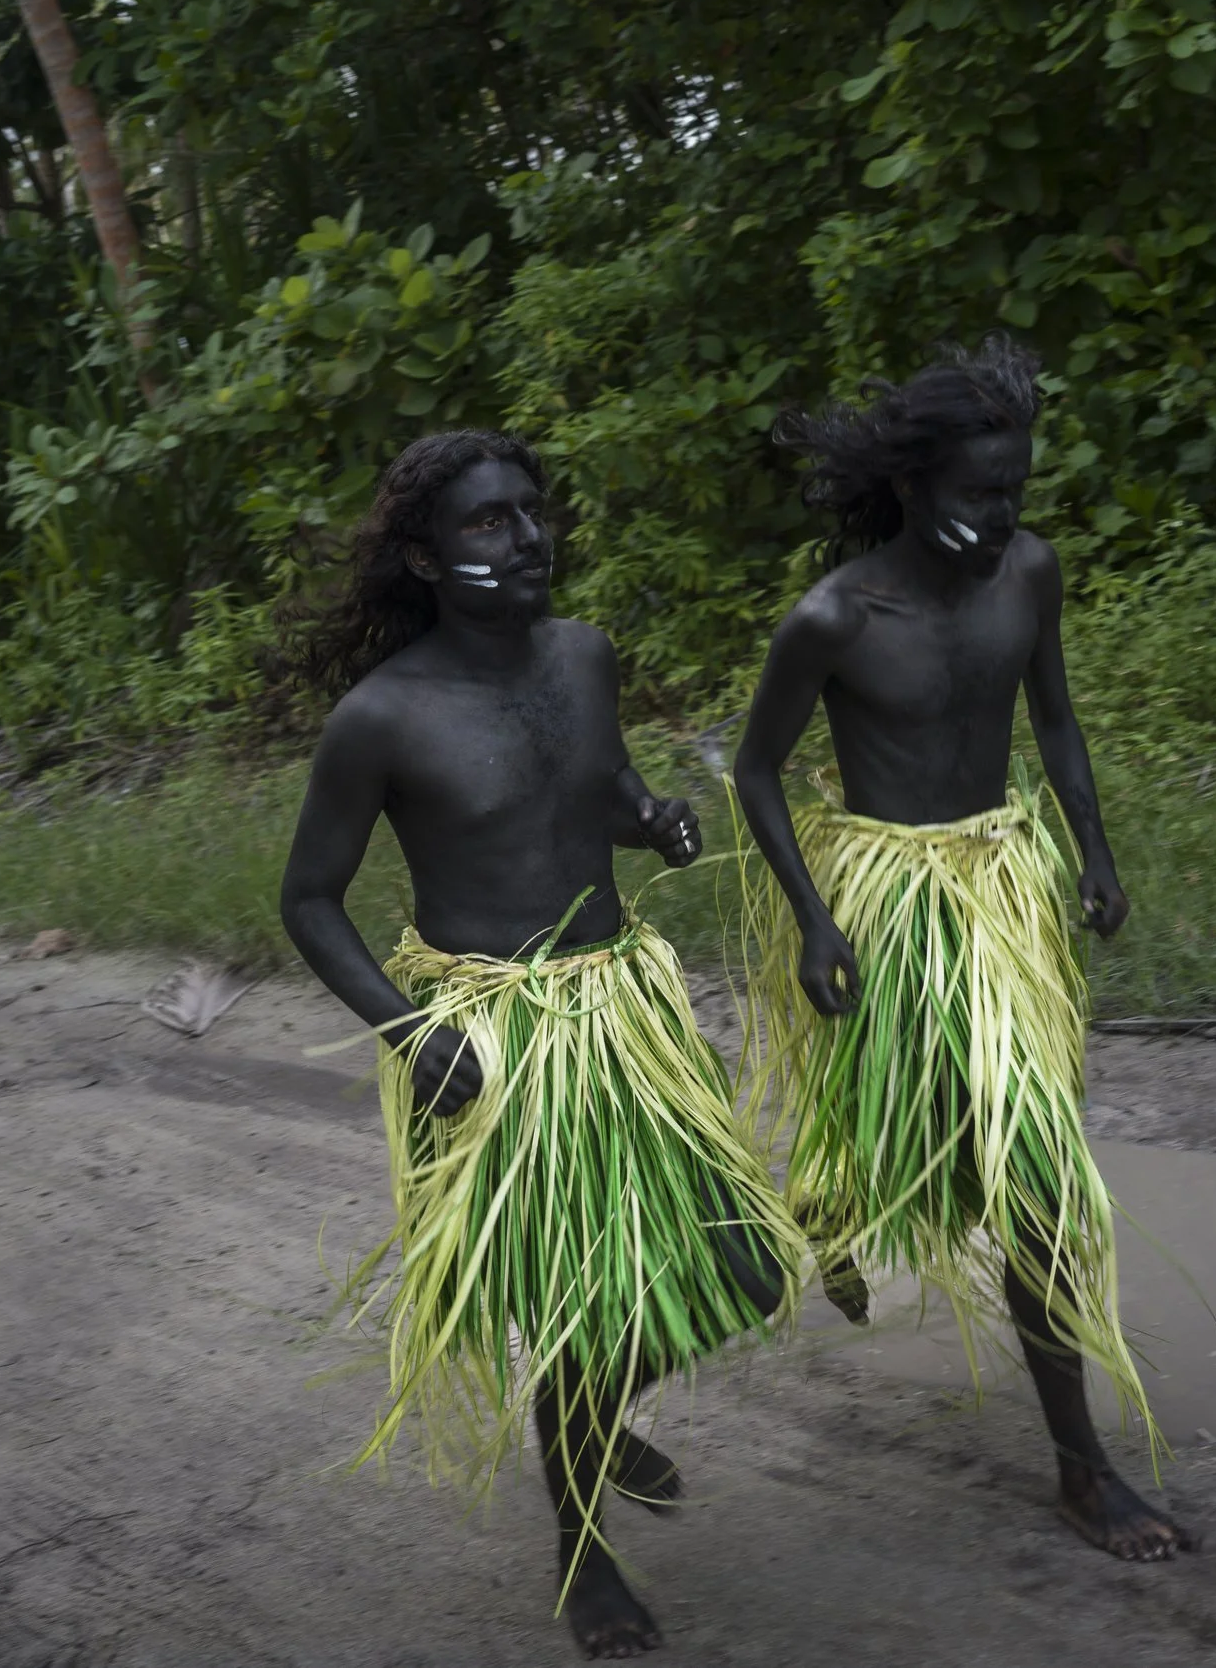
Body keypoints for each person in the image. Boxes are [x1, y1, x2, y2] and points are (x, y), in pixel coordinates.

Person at [278, 430, 804, 1658]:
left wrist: (650, 820)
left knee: (746, 1267)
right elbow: (309, 900)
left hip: (620, 1008)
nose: (527, 540)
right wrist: (410, 1033)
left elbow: (596, 784)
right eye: (486, 523)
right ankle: (583, 1555)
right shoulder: (381, 717)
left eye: (533, 512)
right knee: (575, 1307)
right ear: (422, 554)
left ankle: (603, 1418)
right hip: (497, 1034)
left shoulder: (581, 655)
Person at [731, 337, 1191, 1563]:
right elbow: (757, 771)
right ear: (915, 485)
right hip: (887, 903)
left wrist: (1092, 852)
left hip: (1000, 889)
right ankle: (835, 1198)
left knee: (1034, 1177)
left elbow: (1055, 718)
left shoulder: (1028, 573)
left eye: (1015, 492)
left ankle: (1082, 1471)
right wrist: (815, 916)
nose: (1000, 518)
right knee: (917, 1130)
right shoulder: (834, 616)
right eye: (977, 496)